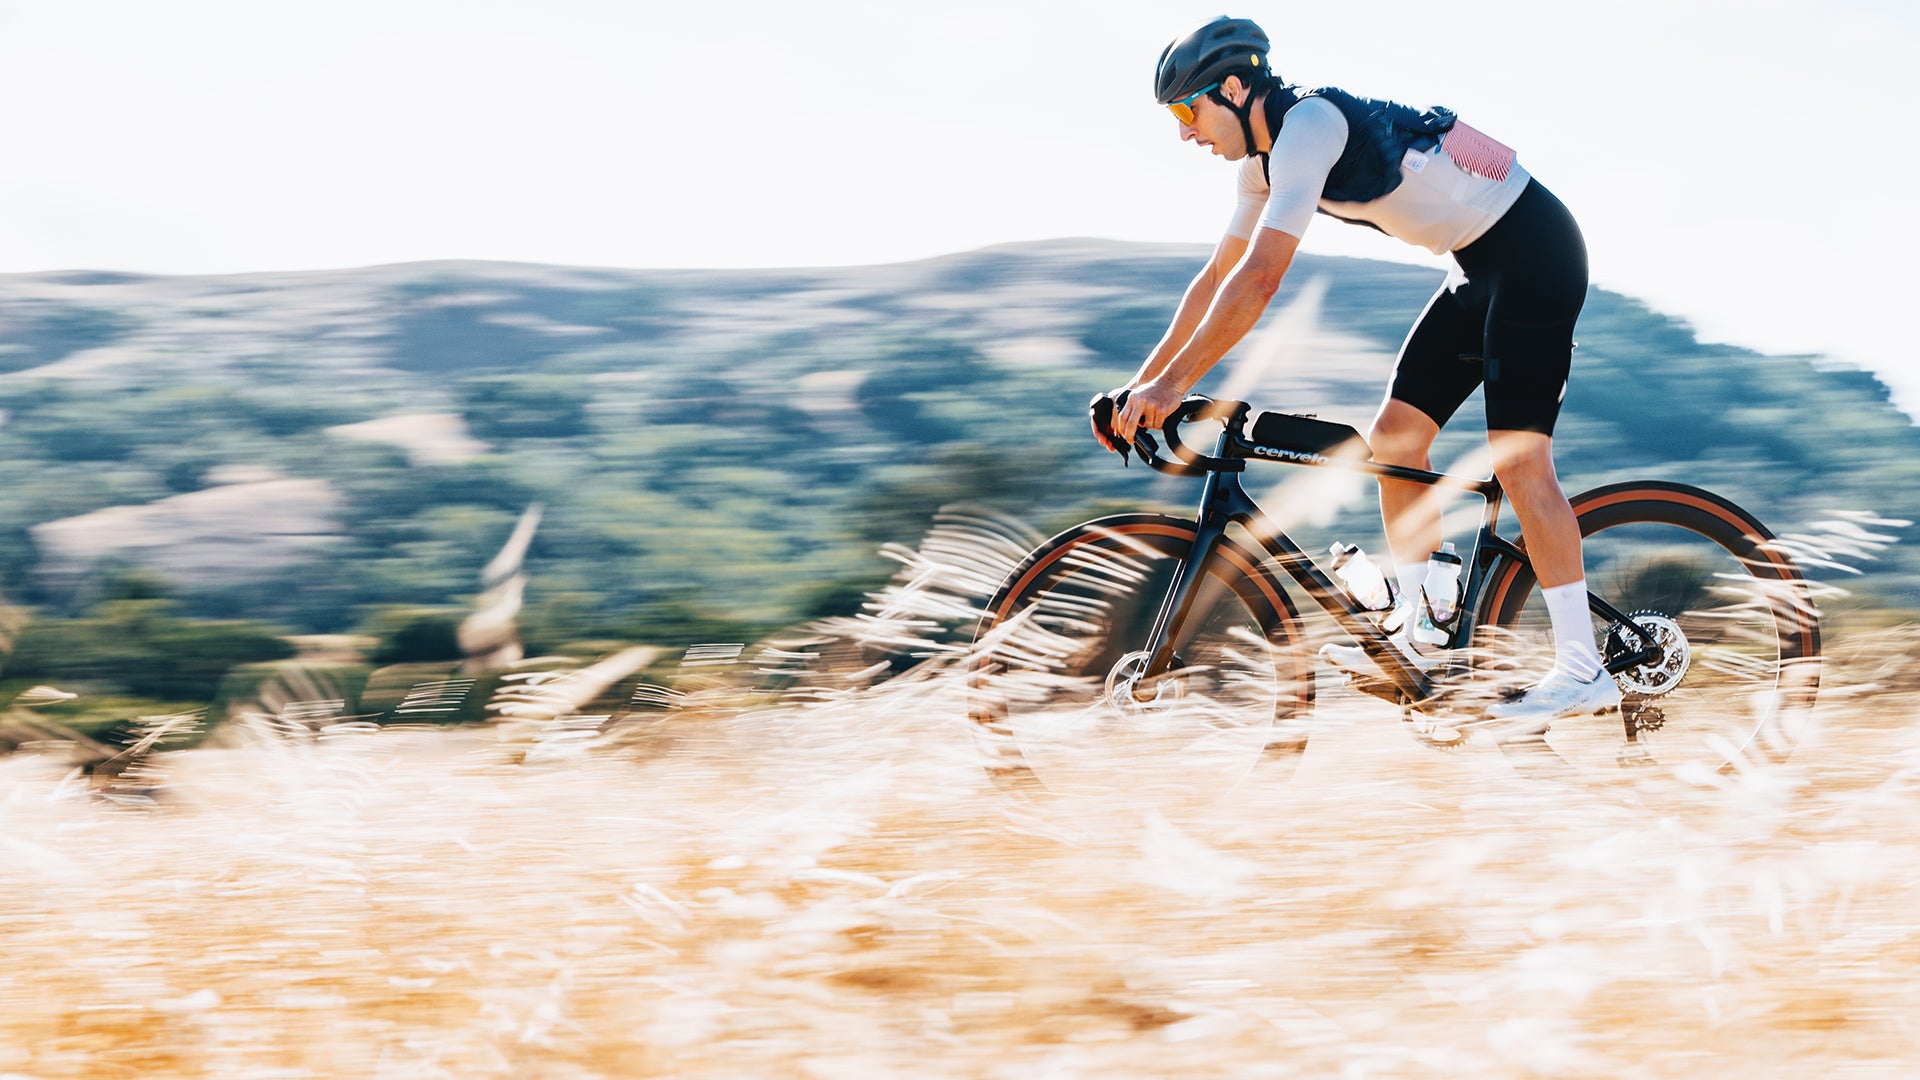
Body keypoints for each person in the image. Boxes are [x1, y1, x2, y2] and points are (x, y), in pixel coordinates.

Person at [1104, 15, 1617, 728]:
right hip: (1477, 266)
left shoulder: (1308, 126)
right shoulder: (1262, 164)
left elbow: (1258, 279)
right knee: (1396, 441)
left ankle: (1582, 669)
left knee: (1522, 463)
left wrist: (1168, 388)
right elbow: (1217, 275)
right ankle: (1423, 619)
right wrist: (1146, 381)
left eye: (1189, 110)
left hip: (1536, 251)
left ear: (1232, 88)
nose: (1186, 132)